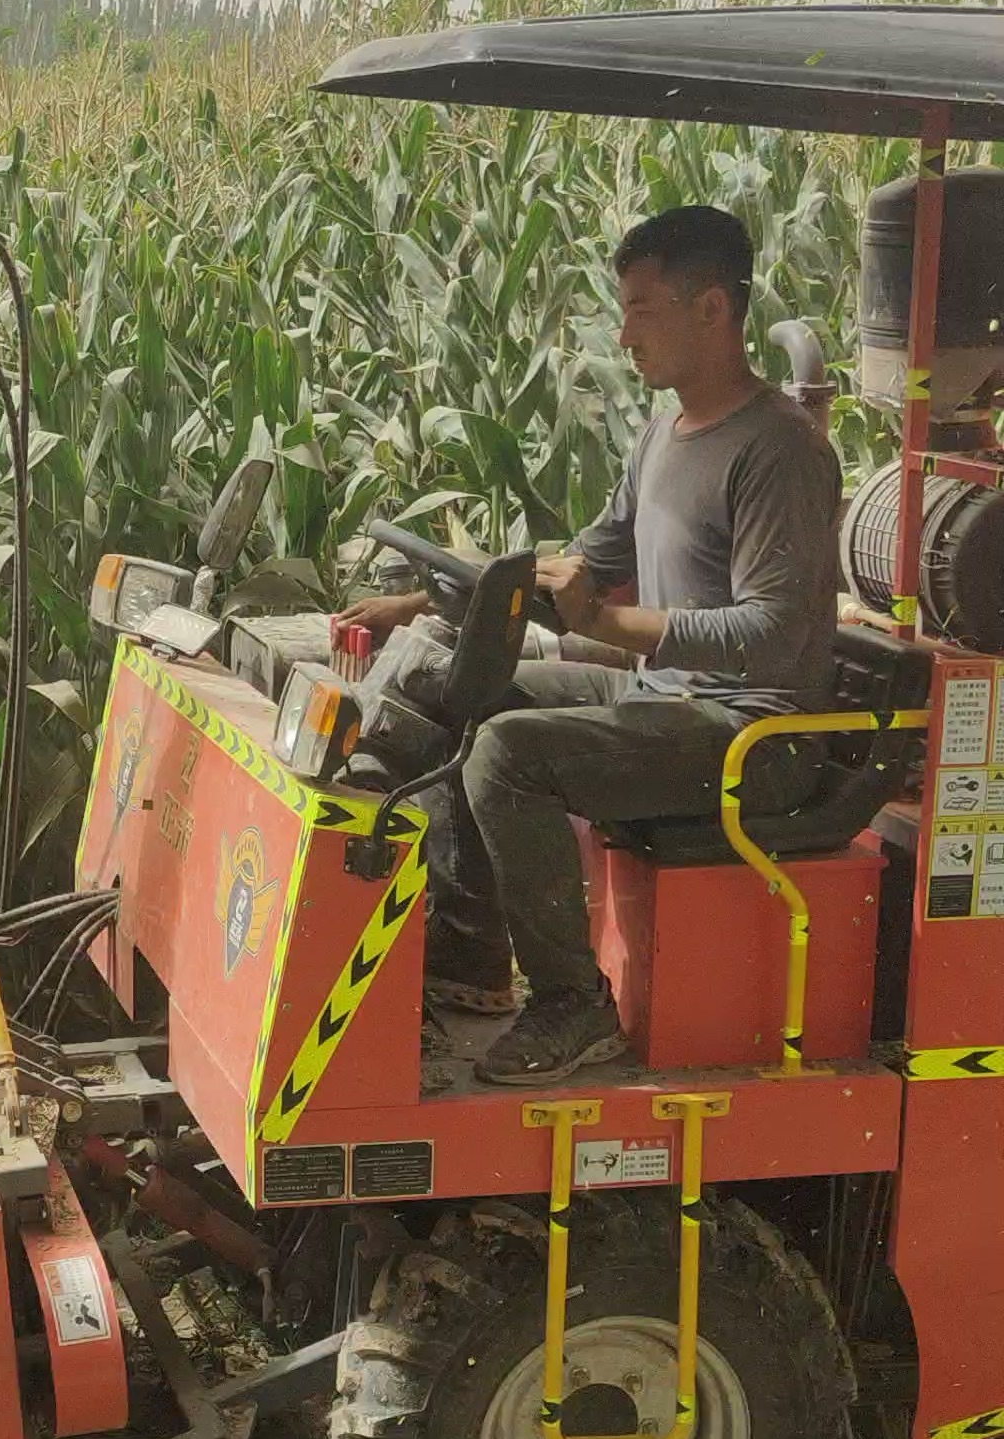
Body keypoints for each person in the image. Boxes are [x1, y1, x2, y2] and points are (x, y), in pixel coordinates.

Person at [349, 205, 842, 1083]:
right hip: (671, 700)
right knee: (462, 689)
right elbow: (573, 565)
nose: (623, 335)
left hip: (755, 736)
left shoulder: (779, 450)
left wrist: (604, 624)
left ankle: (576, 1004)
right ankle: (471, 962)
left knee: (507, 754)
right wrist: (423, 599)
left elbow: (770, 635)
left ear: (712, 310)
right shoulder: (665, 432)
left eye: (642, 311)